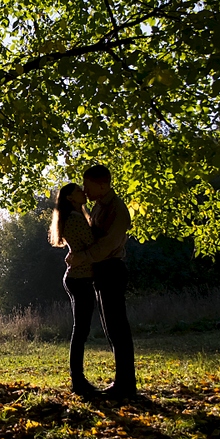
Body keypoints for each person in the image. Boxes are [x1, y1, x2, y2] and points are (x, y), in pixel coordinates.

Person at [66, 164, 136, 399]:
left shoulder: (117, 209)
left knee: (118, 328)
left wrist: (79, 259)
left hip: (112, 269)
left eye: (88, 185)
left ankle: (126, 385)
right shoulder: (97, 208)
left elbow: (105, 246)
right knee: (111, 329)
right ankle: (122, 382)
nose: (84, 189)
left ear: (102, 185)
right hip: (101, 271)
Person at [49, 182, 100, 398]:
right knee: (81, 331)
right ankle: (78, 381)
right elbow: (93, 244)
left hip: (78, 277)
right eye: (79, 191)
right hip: (80, 278)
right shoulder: (76, 219)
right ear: (70, 197)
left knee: (81, 330)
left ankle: (78, 379)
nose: (84, 192)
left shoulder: (73, 217)